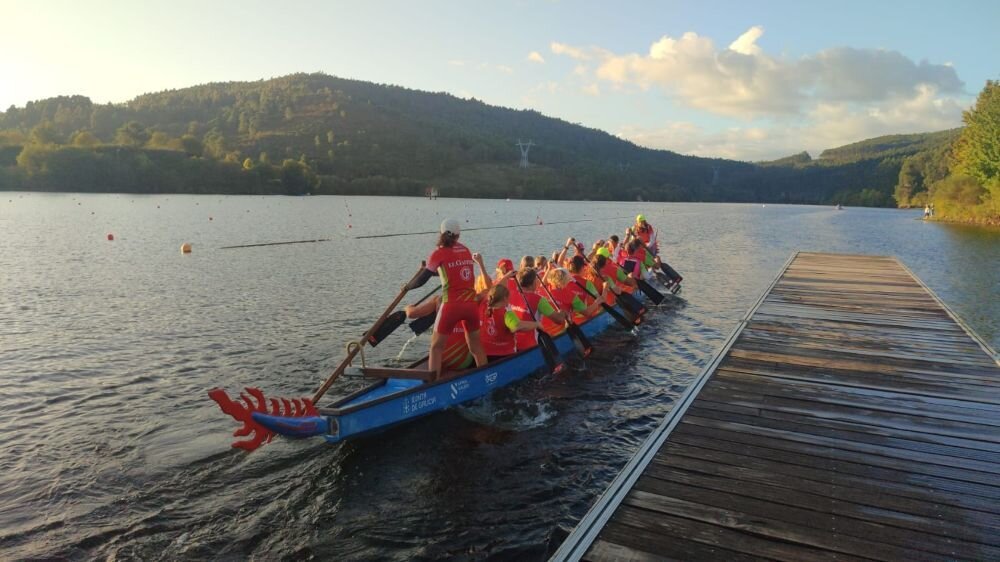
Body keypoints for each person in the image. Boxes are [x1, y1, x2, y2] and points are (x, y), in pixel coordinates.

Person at [405, 218, 488, 377]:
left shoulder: (438, 252)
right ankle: (485, 378)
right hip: (471, 306)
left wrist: (408, 286)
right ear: (458, 235)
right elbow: (452, 272)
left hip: (452, 306)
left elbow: (423, 279)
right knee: (476, 347)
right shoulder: (465, 250)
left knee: (436, 348)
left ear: (441, 233)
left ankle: (433, 384)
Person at [509, 267, 567, 351]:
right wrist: (563, 313)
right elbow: (559, 320)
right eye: (536, 280)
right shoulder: (539, 300)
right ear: (533, 283)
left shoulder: (509, 295)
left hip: (512, 346)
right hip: (530, 346)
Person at [479, 284, 537, 361]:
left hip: (485, 353)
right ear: (505, 298)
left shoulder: (483, 306)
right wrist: (537, 324)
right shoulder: (506, 313)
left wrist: (507, 276)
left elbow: (494, 291)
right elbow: (517, 326)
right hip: (504, 355)